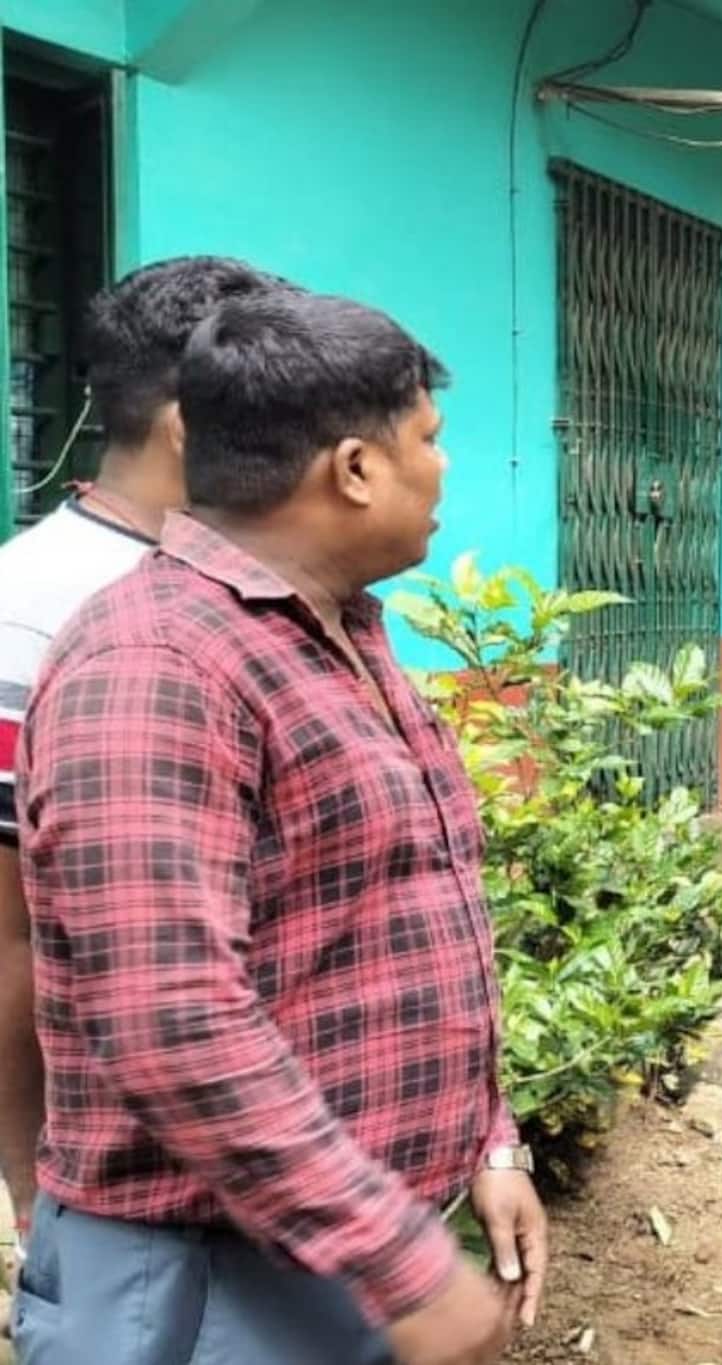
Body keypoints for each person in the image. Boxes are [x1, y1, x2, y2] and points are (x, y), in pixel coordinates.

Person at [13, 292, 545, 1365]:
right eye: (428, 440)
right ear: (352, 469)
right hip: (195, 1284)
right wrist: (400, 1261)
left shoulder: (336, 635)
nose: (444, 468)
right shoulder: (157, 665)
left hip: (324, 1256)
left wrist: (491, 1142)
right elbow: (174, 1024)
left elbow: (394, 925)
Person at [0, 257, 296, 1244]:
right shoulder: (32, 616)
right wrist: (34, 1184)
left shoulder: (254, 583)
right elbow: (12, 938)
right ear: (188, 424)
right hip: (137, 1191)